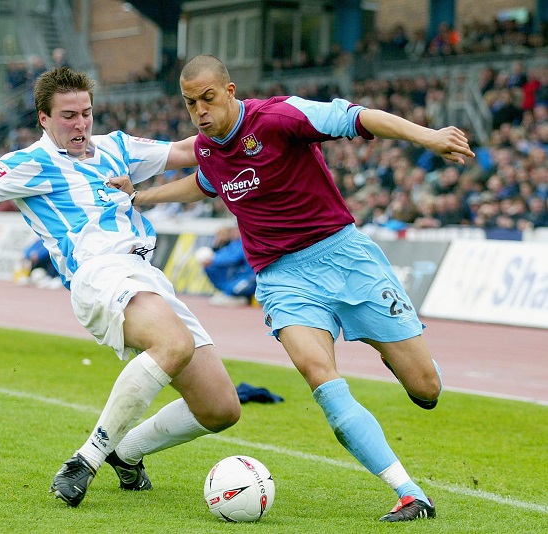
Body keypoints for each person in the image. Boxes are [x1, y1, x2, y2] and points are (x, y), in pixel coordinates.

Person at [0, 66, 240, 508]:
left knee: (220, 408)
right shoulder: (30, 163)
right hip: (99, 275)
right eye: (67, 116)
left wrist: (253, 122)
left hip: (146, 275)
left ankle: (126, 450)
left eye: (86, 113)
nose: (80, 125)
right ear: (43, 118)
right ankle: (87, 458)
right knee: (172, 344)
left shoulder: (117, 146)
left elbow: (187, 149)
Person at [113, 54, 475, 522]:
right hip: (282, 278)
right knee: (319, 375)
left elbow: (360, 118)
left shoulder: (280, 117)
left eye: (207, 99)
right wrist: (143, 197)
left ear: (229, 91)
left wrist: (429, 137)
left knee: (427, 390)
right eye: (189, 104)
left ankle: (387, 343)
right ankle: (409, 493)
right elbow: (205, 184)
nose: (200, 111)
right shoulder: (207, 149)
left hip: (346, 258)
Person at [197, 225, 255, 306]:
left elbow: (233, 257)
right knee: (209, 268)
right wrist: (210, 259)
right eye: (234, 230)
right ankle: (232, 295)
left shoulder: (246, 243)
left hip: (251, 277)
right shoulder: (233, 243)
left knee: (233, 289)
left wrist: (212, 260)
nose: (235, 232)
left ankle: (244, 299)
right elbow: (224, 254)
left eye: (237, 230)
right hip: (239, 276)